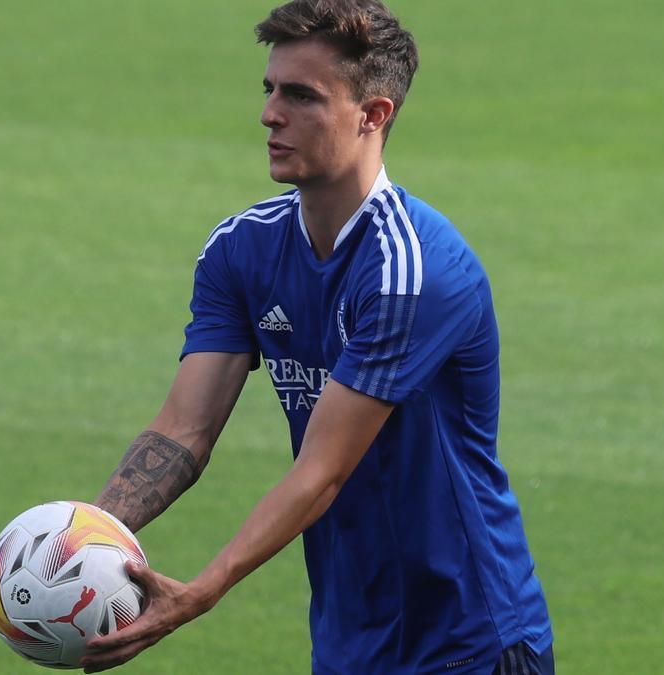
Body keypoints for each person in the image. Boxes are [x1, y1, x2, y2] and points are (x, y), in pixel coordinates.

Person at [82, 1, 553, 672]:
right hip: (348, 636)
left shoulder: (411, 271)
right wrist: (81, 540)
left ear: (374, 114)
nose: (270, 115)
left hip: (467, 635)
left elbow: (324, 469)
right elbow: (184, 429)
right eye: (270, 90)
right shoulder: (240, 250)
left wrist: (201, 591)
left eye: (301, 96)